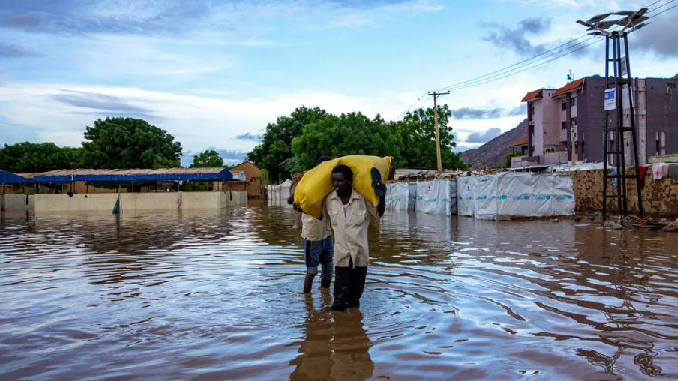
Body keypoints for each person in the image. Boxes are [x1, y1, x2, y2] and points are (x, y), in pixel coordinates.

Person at [322, 164, 385, 311]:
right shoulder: (329, 200)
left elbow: (378, 214)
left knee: (355, 299)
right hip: (341, 256)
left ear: (349, 181)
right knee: (339, 301)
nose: (336, 184)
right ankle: (340, 329)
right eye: (334, 181)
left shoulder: (362, 198)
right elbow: (323, 219)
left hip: (360, 255)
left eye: (340, 180)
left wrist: (382, 197)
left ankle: (355, 328)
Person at [290, 156, 334, 293]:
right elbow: (294, 201)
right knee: (312, 270)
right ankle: (307, 302)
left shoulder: (331, 184)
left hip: (326, 234)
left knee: (328, 270)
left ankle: (325, 297)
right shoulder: (308, 183)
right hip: (311, 236)